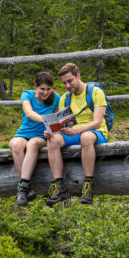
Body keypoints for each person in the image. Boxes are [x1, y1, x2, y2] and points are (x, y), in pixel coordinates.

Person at [45, 62, 109, 205]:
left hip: (96, 133)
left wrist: (77, 131)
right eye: (64, 83)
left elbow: (97, 122)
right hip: (74, 133)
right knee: (53, 140)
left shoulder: (95, 92)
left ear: (78, 76)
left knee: (85, 137)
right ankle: (59, 186)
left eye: (70, 81)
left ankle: (88, 185)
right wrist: (50, 131)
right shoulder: (65, 98)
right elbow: (61, 124)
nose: (67, 86)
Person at [9, 71, 60, 206]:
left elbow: (56, 122)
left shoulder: (56, 98)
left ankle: (22, 189)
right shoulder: (27, 94)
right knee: (15, 144)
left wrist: (50, 131)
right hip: (25, 132)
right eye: (42, 89)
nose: (45, 92)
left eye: (48, 89)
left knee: (33, 143)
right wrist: (45, 120)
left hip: (42, 136)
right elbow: (29, 113)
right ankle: (28, 188)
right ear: (36, 87)